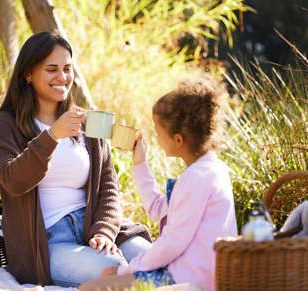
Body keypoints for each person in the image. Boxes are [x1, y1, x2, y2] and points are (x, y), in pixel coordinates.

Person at [0, 31, 151, 287]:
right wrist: (51, 137)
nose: (62, 77)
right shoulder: (4, 125)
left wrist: (104, 231)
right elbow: (13, 181)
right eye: (52, 69)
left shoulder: (87, 122)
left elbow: (108, 187)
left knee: (152, 260)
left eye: (67, 68)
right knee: (116, 272)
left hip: (93, 228)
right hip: (47, 241)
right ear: (28, 74)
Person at [80, 79, 238, 291]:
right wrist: (140, 163)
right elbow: (157, 210)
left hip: (188, 280)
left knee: (90, 289)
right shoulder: (211, 169)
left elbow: (171, 244)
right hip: (197, 274)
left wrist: (124, 271)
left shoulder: (195, 178)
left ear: (178, 140)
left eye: (158, 132)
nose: (156, 137)